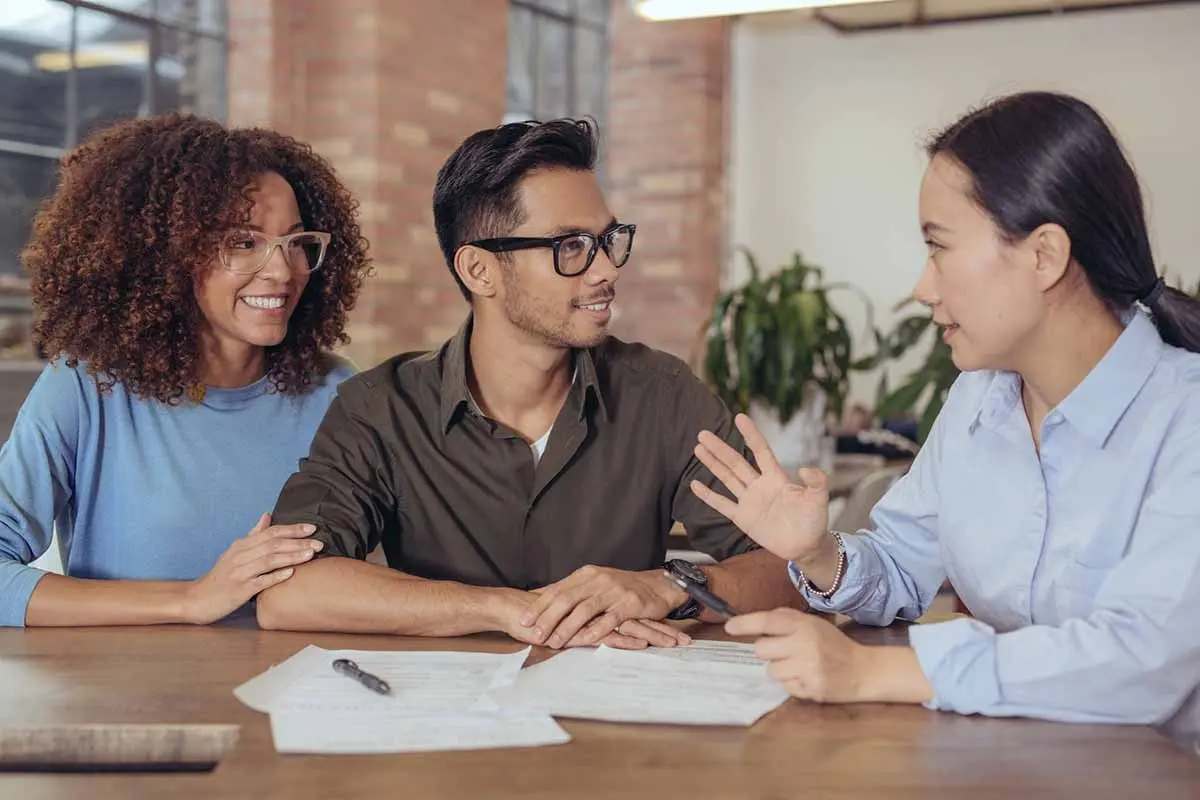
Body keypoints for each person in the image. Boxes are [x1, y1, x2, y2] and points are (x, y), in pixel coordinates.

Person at [690, 91, 1200, 747]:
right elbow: (901, 572)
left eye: (938, 248)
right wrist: (818, 552)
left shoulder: (1184, 419)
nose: (923, 288)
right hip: (1015, 766)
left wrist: (877, 672)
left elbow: (1142, 662)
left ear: (1043, 255)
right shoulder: (978, 400)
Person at [256, 119, 803, 649]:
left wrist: (664, 588)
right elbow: (288, 590)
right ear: (479, 270)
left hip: (621, 722)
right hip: (443, 722)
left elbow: (792, 570)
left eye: (608, 239)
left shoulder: (663, 394)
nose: (606, 269)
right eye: (570, 247)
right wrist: (506, 609)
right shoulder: (378, 409)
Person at [0, 113, 370, 628]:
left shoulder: (339, 393)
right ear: (167, 256)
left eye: (296, 242)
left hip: (299, 698)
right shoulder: (87, 387)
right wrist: (191, 599)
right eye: (243, 242)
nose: (283, 271)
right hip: (135, 700)